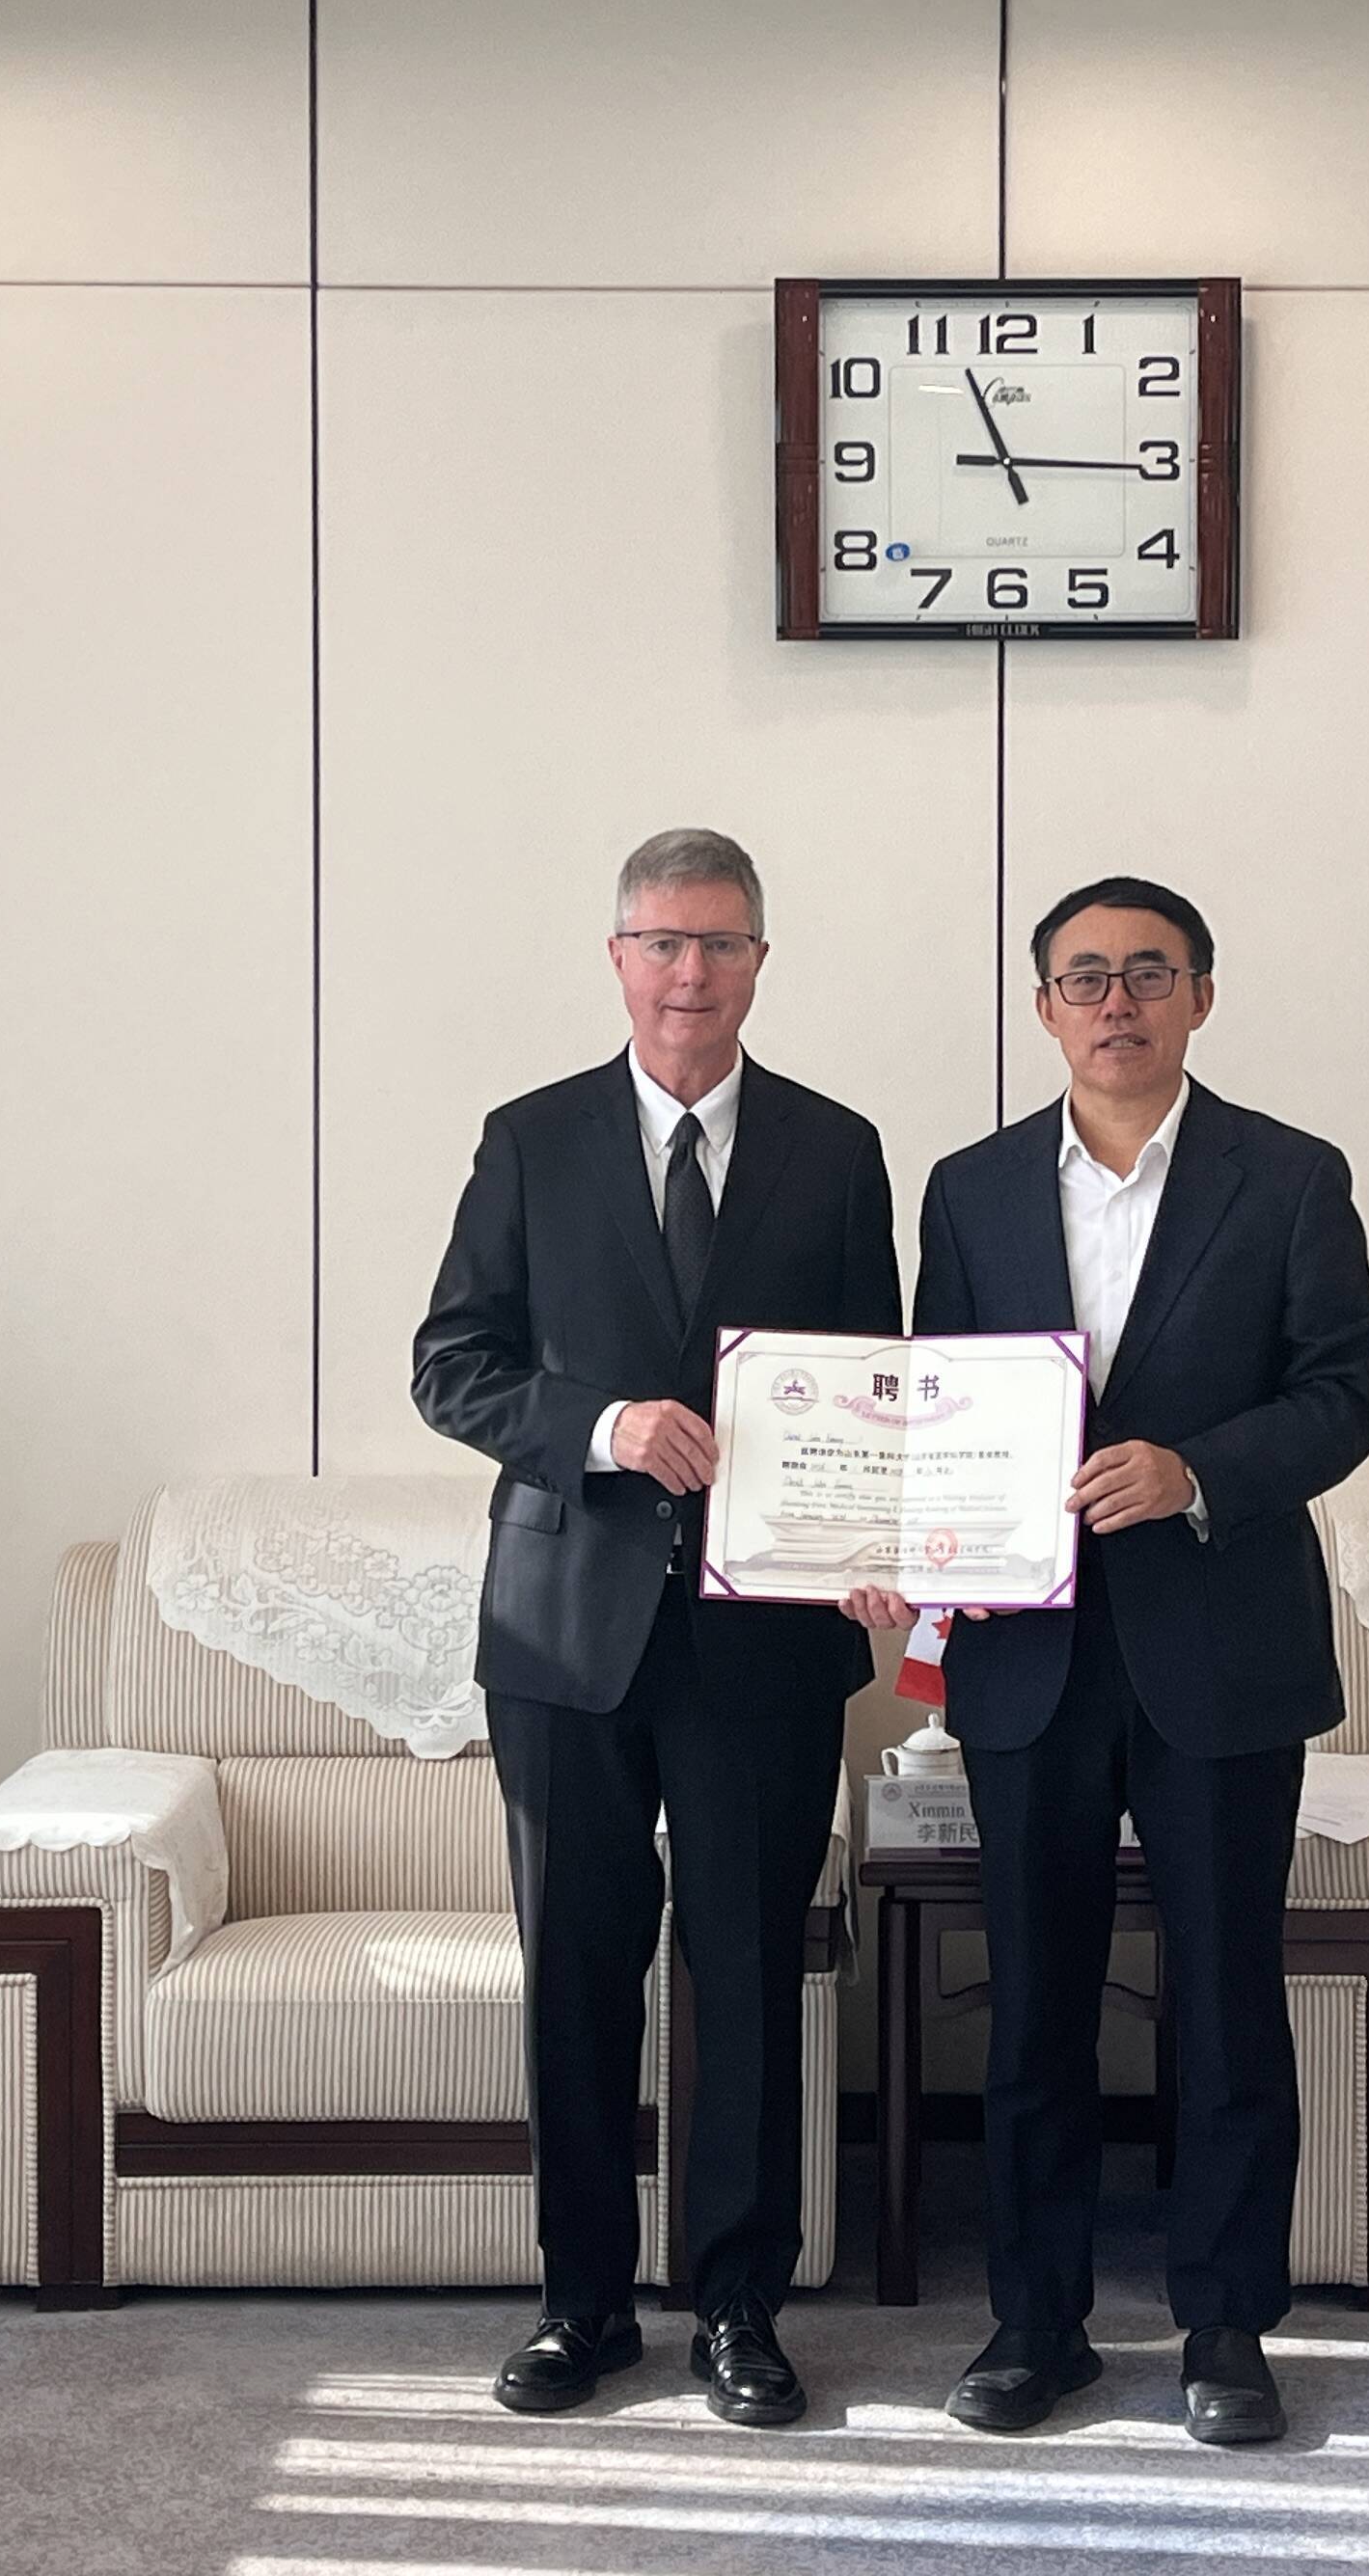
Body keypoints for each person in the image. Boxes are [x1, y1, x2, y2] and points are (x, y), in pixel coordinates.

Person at [845, 877, 1369, 2446]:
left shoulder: (1291, 1177)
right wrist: (907, 1553)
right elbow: (935, 1402)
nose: (1118, 1002)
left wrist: (1196, 1471)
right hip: (1029, 1658)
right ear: (1044, 1009)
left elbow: (1343, 1394)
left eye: (1150, 973)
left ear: (1202, 996)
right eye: (1085, 977)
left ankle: (1226, 2327)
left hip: (1222, 1648)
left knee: (1226, 2003)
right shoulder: (971, 1189)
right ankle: (1038, 2326)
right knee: (1035, 2009)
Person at [413, 827, 898, 2427]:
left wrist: (886, 1540)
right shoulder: (530, 1140)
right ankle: (582, 2304)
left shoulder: (837, 1150)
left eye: (721, 944)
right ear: (618, 958)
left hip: (767, 1635)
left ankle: (741, 2308)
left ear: (760, 961)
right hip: (568, 1625)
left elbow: (878, 1387)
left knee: (750, 1969)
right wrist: (606, 1427)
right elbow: (452, 1366)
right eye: (663, 943)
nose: (692, 973)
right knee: (577, 1967)